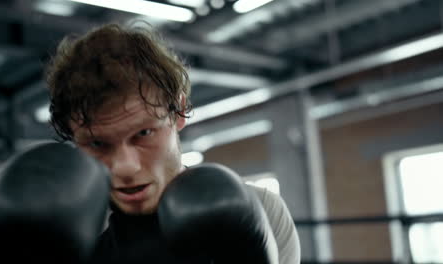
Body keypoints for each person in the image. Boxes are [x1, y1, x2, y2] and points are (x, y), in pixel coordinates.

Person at [45, 23, 301, 264]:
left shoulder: (262, 210)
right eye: (98, 144)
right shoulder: (68, 240)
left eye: (144, 133)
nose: (125, 167)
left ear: (178, 112)